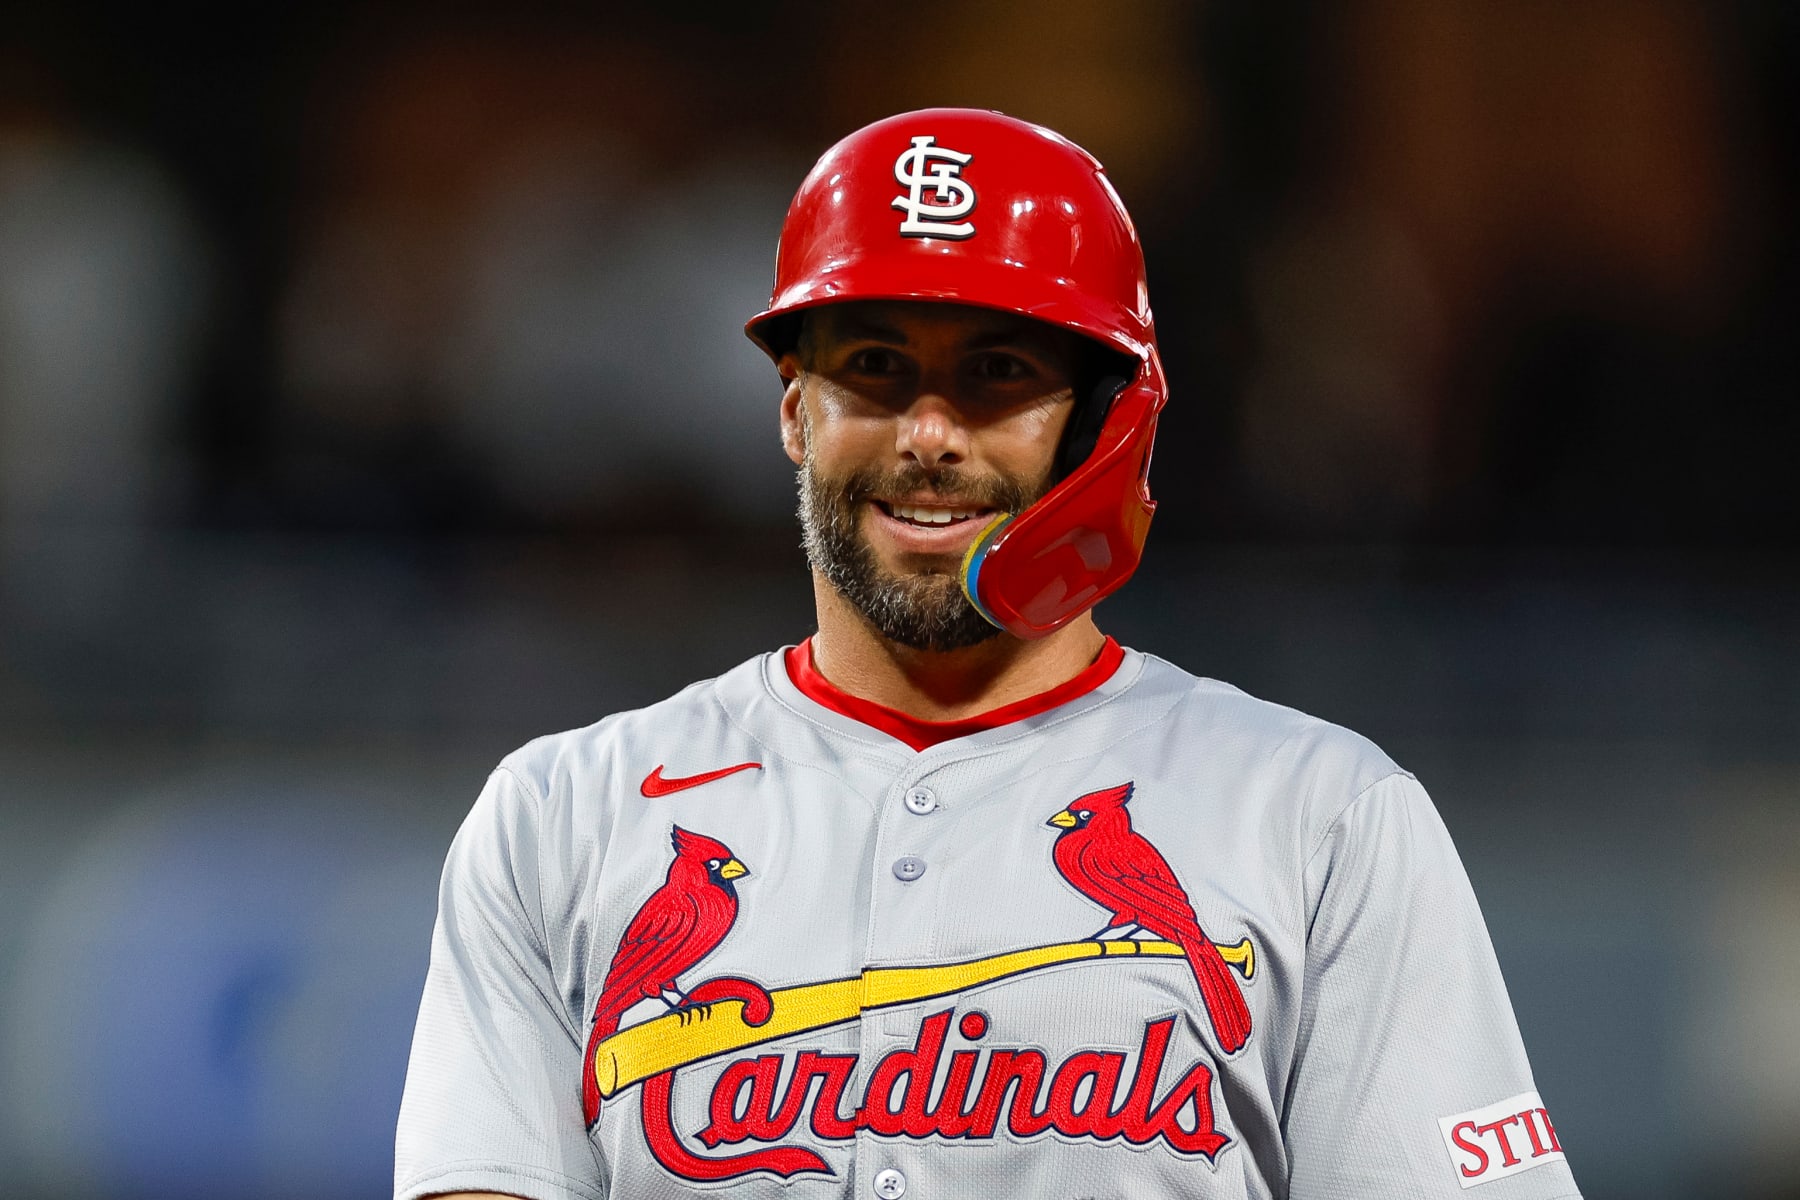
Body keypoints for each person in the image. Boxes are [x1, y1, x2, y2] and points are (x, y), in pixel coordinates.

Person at [395, 108, 1581, 1200]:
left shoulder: (1321, 817)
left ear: (1101, 423)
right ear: (794, 407)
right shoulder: (561, 816)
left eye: (996, 374)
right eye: (875, 367)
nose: (927, 434)